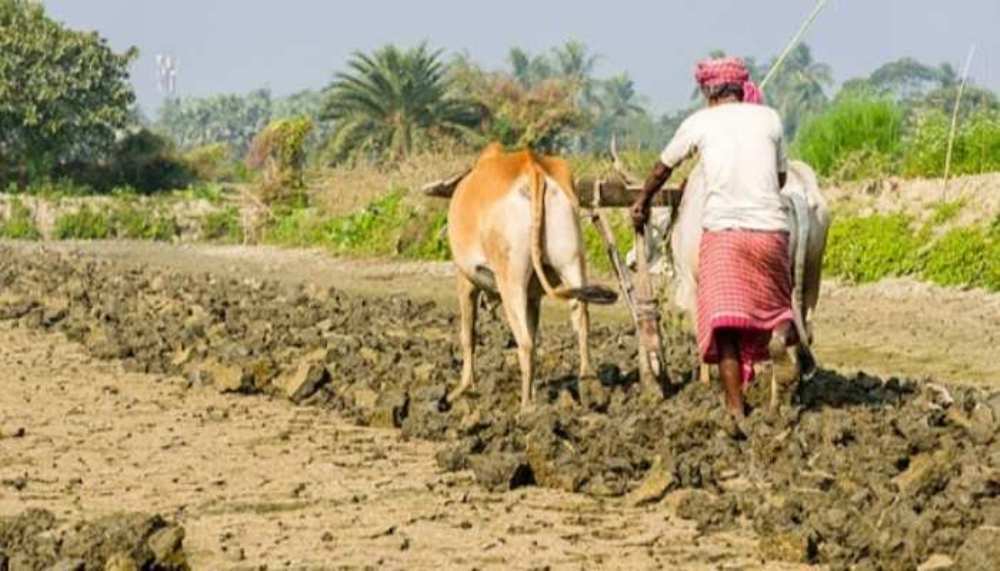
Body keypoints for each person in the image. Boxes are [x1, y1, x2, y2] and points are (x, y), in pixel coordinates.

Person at [630, 57, 794, 420]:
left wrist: (642, 201)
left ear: (708, 91)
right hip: (771, 233)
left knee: (725, 327)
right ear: (740, 89)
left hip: (724, 237)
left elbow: (663, 167)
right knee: (777, 308)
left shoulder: (699, 122)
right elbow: (781, 179)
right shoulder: (769, 118)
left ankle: (735, 409)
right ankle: (780, 338)